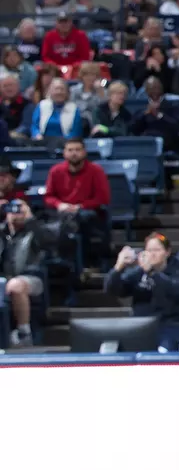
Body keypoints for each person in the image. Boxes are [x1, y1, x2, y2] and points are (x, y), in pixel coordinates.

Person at [104, 233, 179, 349]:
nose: (152, 254)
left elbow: (175, 291)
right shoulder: (138, 272)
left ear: (167, 252)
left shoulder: (177, 271)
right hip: (141, 325)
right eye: (149, 250)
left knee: (163, 350)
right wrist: (118, 267)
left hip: (170, 326)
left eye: (157, 250)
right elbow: (112, 290)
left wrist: (152, 273)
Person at [42, 138, 110, 265]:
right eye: (70, 150)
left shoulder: (96, 170)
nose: (74, 153)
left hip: (87, 212)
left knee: (80, 218)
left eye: (78, 150)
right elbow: (48, 197)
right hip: (62, 211)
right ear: (64, 153)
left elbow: (102, 198)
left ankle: (77, 262)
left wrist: (80, 206)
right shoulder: (55, 171)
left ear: (84, 152)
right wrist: (59, 204)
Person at [0, 200, 48, 348]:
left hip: (32, 278)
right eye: (12, 211)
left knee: (15, 285)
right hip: (4, 279)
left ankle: (24, 333)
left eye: (20, 211)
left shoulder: (34, 230)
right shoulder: (2, 233)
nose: (15, 215)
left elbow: (48, 240)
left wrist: (30, 218)